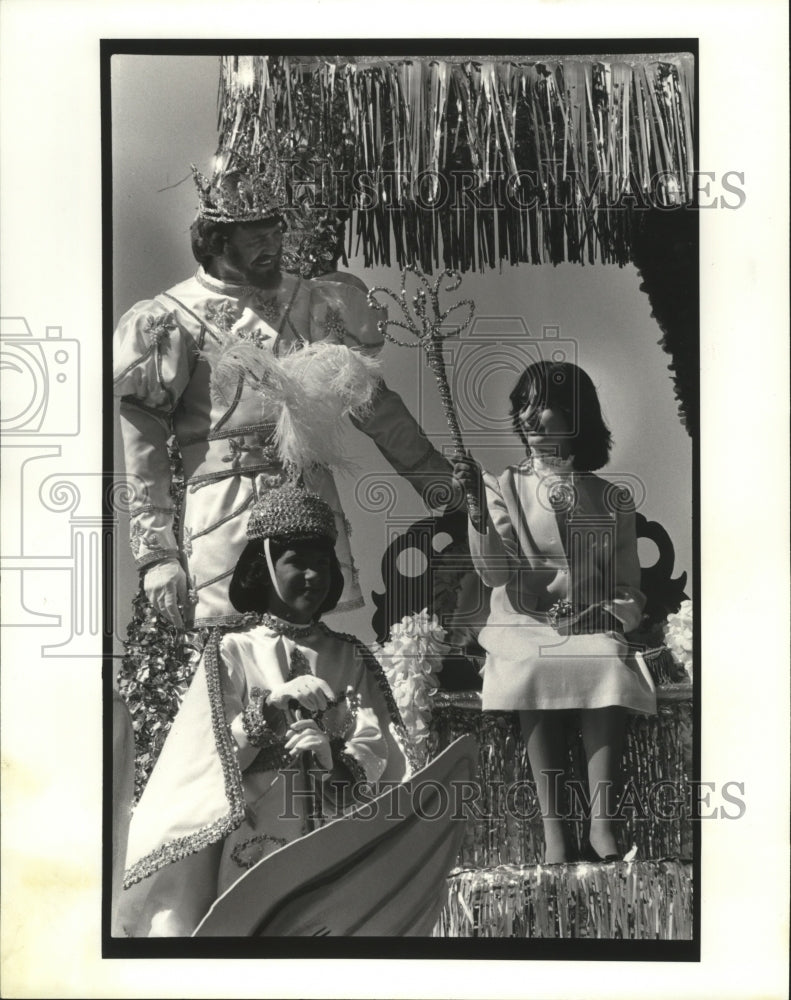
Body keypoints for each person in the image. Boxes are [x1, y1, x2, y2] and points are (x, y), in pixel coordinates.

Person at [113, 159, 457, 634]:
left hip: (306, 507)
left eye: (275, 232)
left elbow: (374, 405)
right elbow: (144, 445)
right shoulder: (170, 318)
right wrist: (156, 556)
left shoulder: (314, 302)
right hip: (222, 518)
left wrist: (441, 485)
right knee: (231, 662)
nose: (272, 246)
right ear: (216, 241)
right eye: (256, 237)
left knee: (310, 657)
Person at [116, 483, 415, 937]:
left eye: (321, 562)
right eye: (298, 561)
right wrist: (270, 709)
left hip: (332, 840)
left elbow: (380, 747)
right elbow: (203, 756)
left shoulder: (350, 656)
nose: (313, 576)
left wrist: (333, 761)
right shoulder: (232, 649)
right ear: (265, 566)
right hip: (253, 845)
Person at [452, 360, 656, 864]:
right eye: (522, 405)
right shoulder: (504, 486)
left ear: (574, 414)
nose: (530, 417)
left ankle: (603, 829)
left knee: (607, 660)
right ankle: (555, 837)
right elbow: (495, 575)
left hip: (590, 622)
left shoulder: (612, 499)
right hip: (523, 623)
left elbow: (629, 588)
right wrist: (477, 510)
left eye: (542, 404)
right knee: (534, 662)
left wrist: (605, 616)